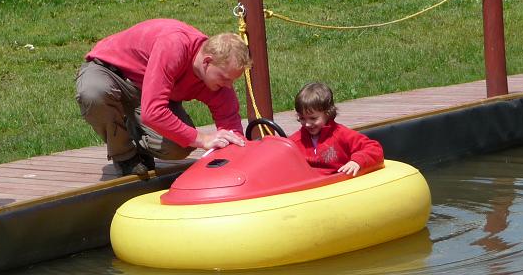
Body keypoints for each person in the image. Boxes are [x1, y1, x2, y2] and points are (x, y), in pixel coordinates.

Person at [76, 18, 250, 176]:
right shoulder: (175, 46)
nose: (229, 86)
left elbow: (232, 132)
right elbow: (154, 112)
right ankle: (125, 155)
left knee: (179, 147)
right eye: (225, 78)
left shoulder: (218, 79)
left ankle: (137, 134)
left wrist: (239, 165)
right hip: (110, 72)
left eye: (233, 80)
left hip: (148, 90)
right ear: (207, 62)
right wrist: (204, 139)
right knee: (93, 93)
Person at [288, 82, 384, 176]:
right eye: (302, 118)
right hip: (310, 184)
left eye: (313, 118)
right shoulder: (295, 141)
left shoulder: (341, 134)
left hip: (337, 183)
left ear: (328, 113)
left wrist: (357, 162)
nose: (307, 124)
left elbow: (374, 148)